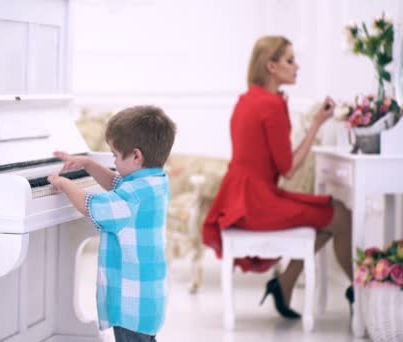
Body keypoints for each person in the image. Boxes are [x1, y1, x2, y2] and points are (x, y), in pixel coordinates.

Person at [202, 36, 354, 319]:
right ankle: (362, 293)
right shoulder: (272, 104)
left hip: (240, 198)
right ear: (271, 66)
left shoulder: (248, 99)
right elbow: (288, 168)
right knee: (341, 216)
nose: (297, 66)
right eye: (290, 60)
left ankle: (285, 283)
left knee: (330, 214)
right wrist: (316, 125)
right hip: (256, 202)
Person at [48, 105, 176, 342]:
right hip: (148, 297)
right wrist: (89, 164)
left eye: (116, 156)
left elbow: (90, 205)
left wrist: (64, 184)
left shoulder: (132, 197)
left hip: (131, 302)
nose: (114, 162)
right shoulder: (155, 181)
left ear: (136, 156)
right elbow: (117, 183)